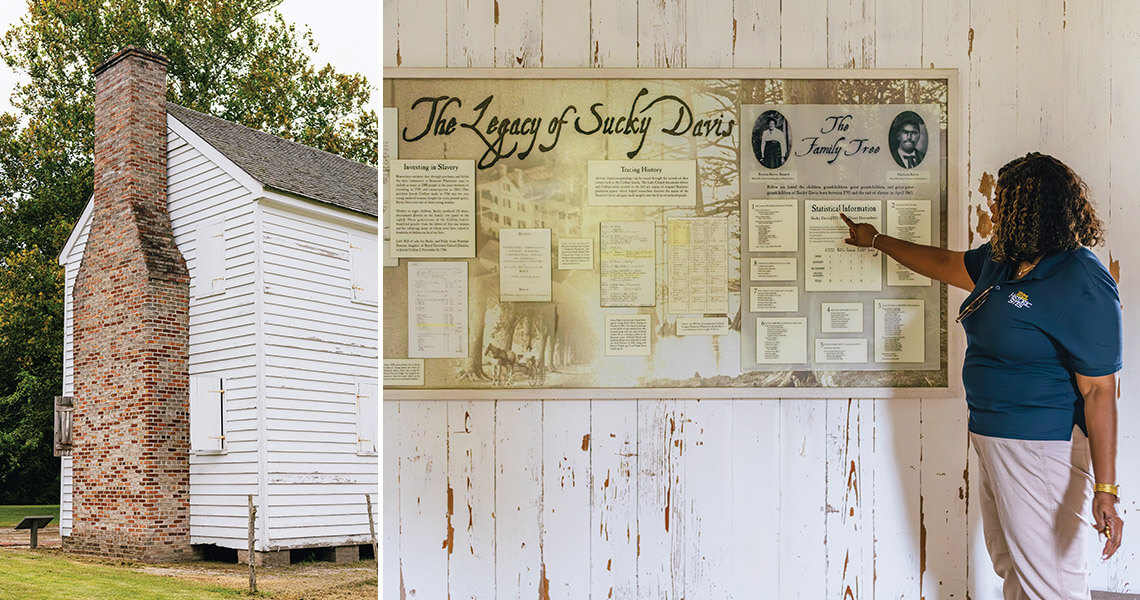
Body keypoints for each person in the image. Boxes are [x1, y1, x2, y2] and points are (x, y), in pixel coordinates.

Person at [840, 152, 1122, 600]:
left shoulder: (1081, 280)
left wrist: (1106, 489)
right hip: (992, 437)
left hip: (1042, 448)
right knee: (1011, 564)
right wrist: (878, 240)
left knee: (1052, 581)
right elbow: (944, 263)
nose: (994, 210)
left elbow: (1101, 392)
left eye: (1005, 202)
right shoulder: (1002, 260)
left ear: (1039, 210)